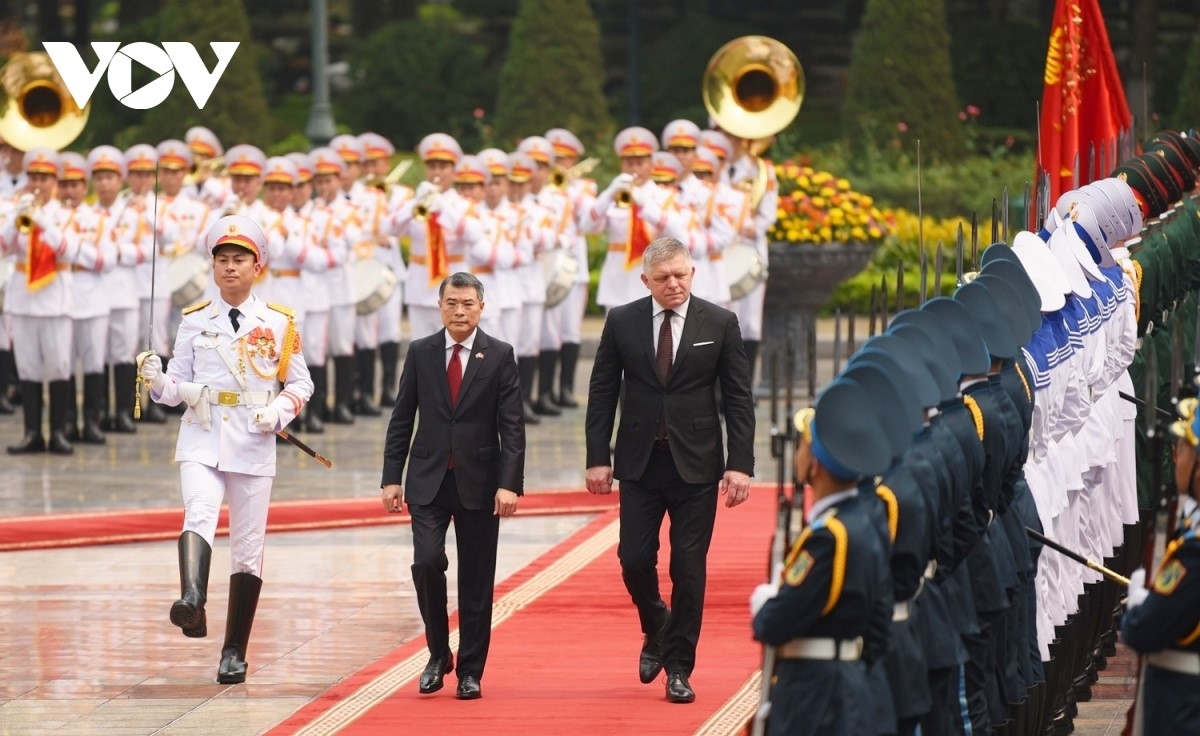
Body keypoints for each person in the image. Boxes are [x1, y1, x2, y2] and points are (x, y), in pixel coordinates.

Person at [139, 215, 313, 684]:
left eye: (240, 259)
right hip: (202, 431)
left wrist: (277, 414)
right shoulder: (194, 321)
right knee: (198, 511)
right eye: (222, 260)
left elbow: (300, 383)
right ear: (212, 267)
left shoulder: (279, 322)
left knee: (248, 547)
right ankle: (192, 602)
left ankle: (234, 649)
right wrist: (157, 381)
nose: (230, 267)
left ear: (259, 266)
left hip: (254, 441)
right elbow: (176, 387)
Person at [584, 236, 755, 702]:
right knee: (633, 559)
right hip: (639, 463)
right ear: (646, 281)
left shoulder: (719, 322)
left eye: (680, 274)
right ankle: (656, 622)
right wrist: (597, 457)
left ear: (692, 273)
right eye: (662, 278)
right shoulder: (622, 321)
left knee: (689, 567)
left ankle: (679, 666)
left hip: (697, 466)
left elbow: (738, 399)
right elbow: (602, 392)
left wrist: (740, 465)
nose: (673, 284)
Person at [380, 271, 525, 701]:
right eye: (451, 303)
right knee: (426, 562)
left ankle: (471, 670)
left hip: (481, 483)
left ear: (481, 307)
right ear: (439, 306)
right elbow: (403, 416)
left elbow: (512, 426)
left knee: (477, 580)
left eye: (467, 304)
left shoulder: (499, 355)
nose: (459, 311)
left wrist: (509, 484)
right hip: (427, 480)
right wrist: (392, 476)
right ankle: (438, 653)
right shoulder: (422, 352)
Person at [750, 379, 893, 736]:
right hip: (848, 688)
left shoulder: (829, 538)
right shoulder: (864, 517)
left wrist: (767, 602)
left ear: (815, 464)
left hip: (815, 699)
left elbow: (772, 623)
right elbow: (880, 622)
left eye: (802, 445)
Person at [1121, 397, 1200, 736]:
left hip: (1183, 708)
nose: (1176, 456)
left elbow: (1143, 630)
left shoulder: (1194, 551)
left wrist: (1140, 600)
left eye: (1183, 448)